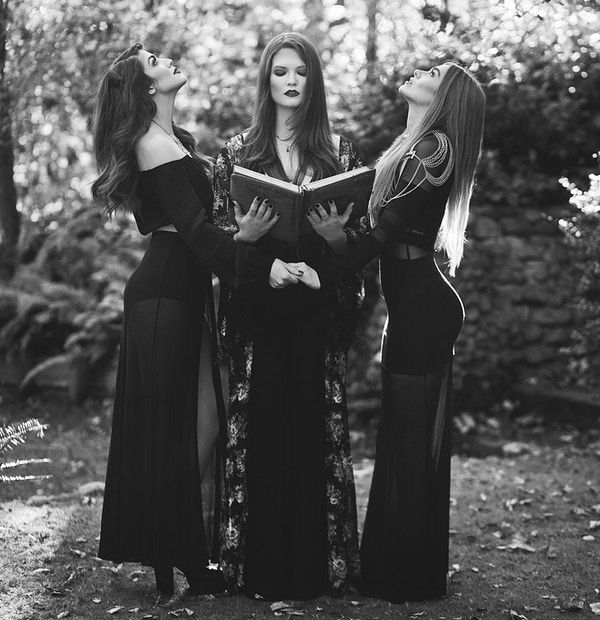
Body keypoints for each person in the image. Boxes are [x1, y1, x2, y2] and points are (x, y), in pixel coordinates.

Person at [92, 43, 302, 601]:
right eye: (154, 60)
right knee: (174, 427)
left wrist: (247, 238)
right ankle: (178, 556)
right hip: (163, 297)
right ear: (145, 87)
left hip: (182, 295)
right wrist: (251, 246)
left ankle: (178, 545)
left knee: (209, 414)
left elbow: (204, 229)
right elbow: (199, 235)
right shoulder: (149, 144)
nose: (167, 59)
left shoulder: (175, 140)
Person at [296, 61, 485, 602]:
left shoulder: (435, 150)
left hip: (424, 308)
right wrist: (334, 241)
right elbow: (375, 234)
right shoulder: (413, 147)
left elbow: (384, 233)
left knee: (409, 441)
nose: (420, 69)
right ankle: (396, 567)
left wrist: (328, 266)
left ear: (444, 94)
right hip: (414, 308)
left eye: (433, 71)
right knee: (402, 437)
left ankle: (408, 576)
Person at [212, 32, 367, 600]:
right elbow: (218, 241)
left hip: (314, 311)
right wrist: (259, 258)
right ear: (267, 80)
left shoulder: (340, 153)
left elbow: (356, 244)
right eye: (280, 71)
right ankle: (255, 569)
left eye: (301, 71)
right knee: (261, 434)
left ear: (314, 80)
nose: (292, 81)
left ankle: (314, 570)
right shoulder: (236, 153)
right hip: (261, 312)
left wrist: (330, 248)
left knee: (311, 435)